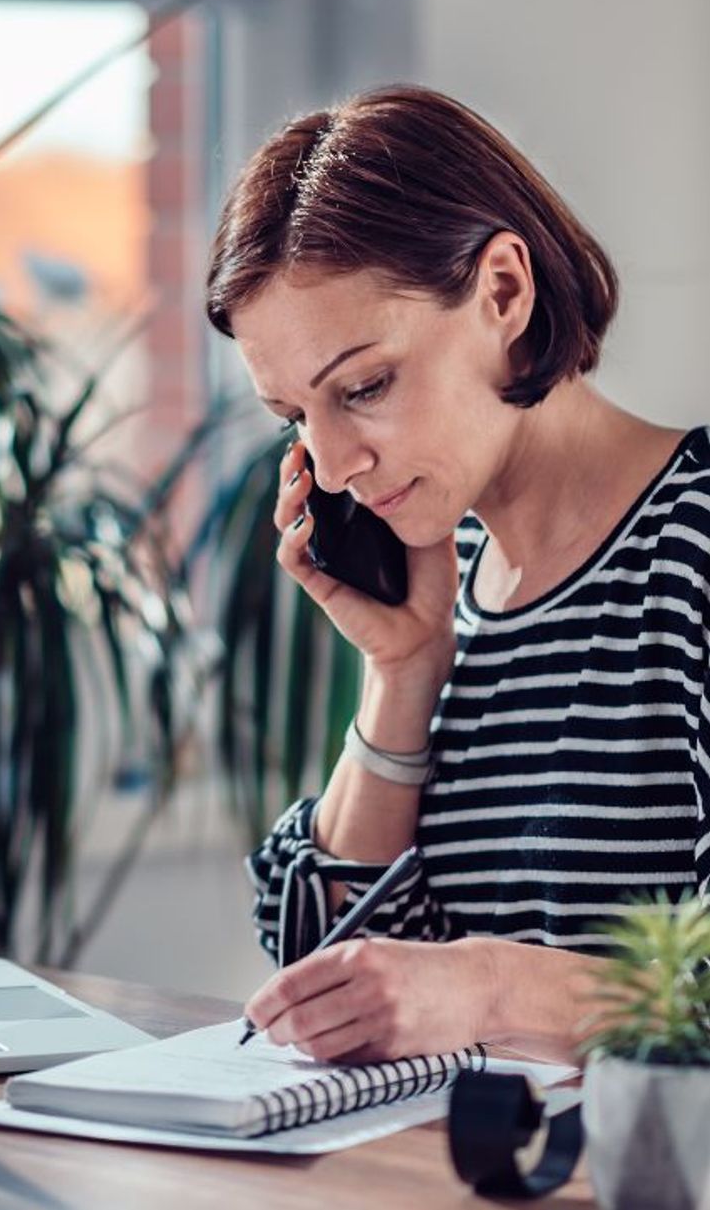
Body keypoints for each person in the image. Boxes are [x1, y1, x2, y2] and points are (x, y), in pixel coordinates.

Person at [205, 85, 710, 1066]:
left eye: (364, 387)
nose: (336, 460)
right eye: (295, 417)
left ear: (504, 293)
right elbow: (328, 984)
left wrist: (490, 983)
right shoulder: (450, 587)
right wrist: (403, 674)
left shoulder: (691, 545)